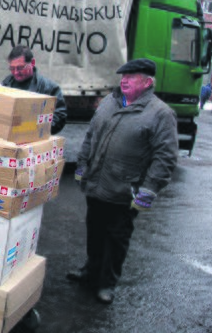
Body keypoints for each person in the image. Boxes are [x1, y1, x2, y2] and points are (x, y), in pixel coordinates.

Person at [68, 58, 178, 305]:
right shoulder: (109, 101)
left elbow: (166, 157)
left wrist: (150, 189)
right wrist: (82, 163)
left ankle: (107, 283)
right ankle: (90, 272)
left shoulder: (160, 113)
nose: (124, 80)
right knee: (94, 232)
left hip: (125, 190)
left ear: (147, 82)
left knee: (116, 239)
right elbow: (91, 134)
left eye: (132, 76)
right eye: (123, 76)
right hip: (97, 183)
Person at [1, 45, 67, 134]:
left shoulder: (49, 88)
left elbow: (59, 117)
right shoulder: (5, 84)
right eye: (12, 68)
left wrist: (33, 129)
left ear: (32, 63)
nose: (16, 72)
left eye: (20, 68)